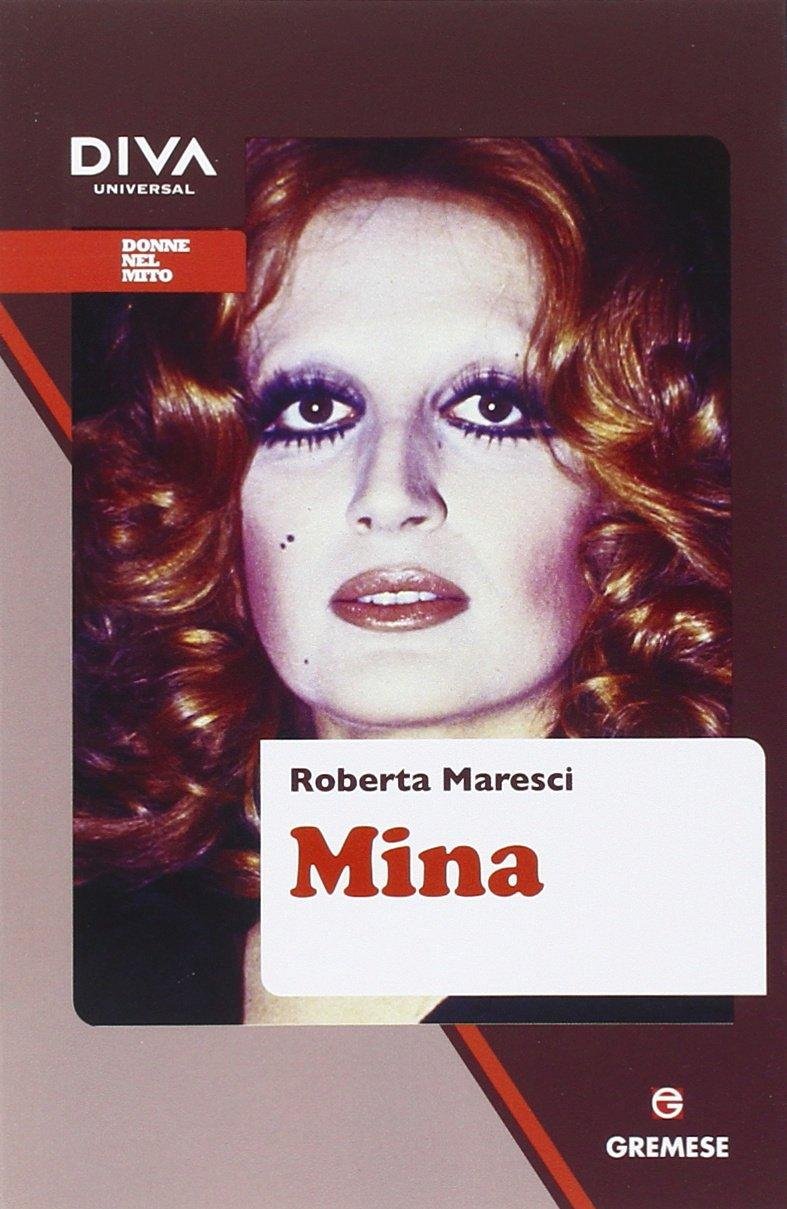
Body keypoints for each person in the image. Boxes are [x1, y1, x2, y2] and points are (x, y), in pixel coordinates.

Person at [73, 138, 730, 1024]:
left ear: (630, 485)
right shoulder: (75, 965)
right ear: (207, 498)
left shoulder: (718, 984)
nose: (390, 495)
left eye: (493, 407)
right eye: (311, 410)